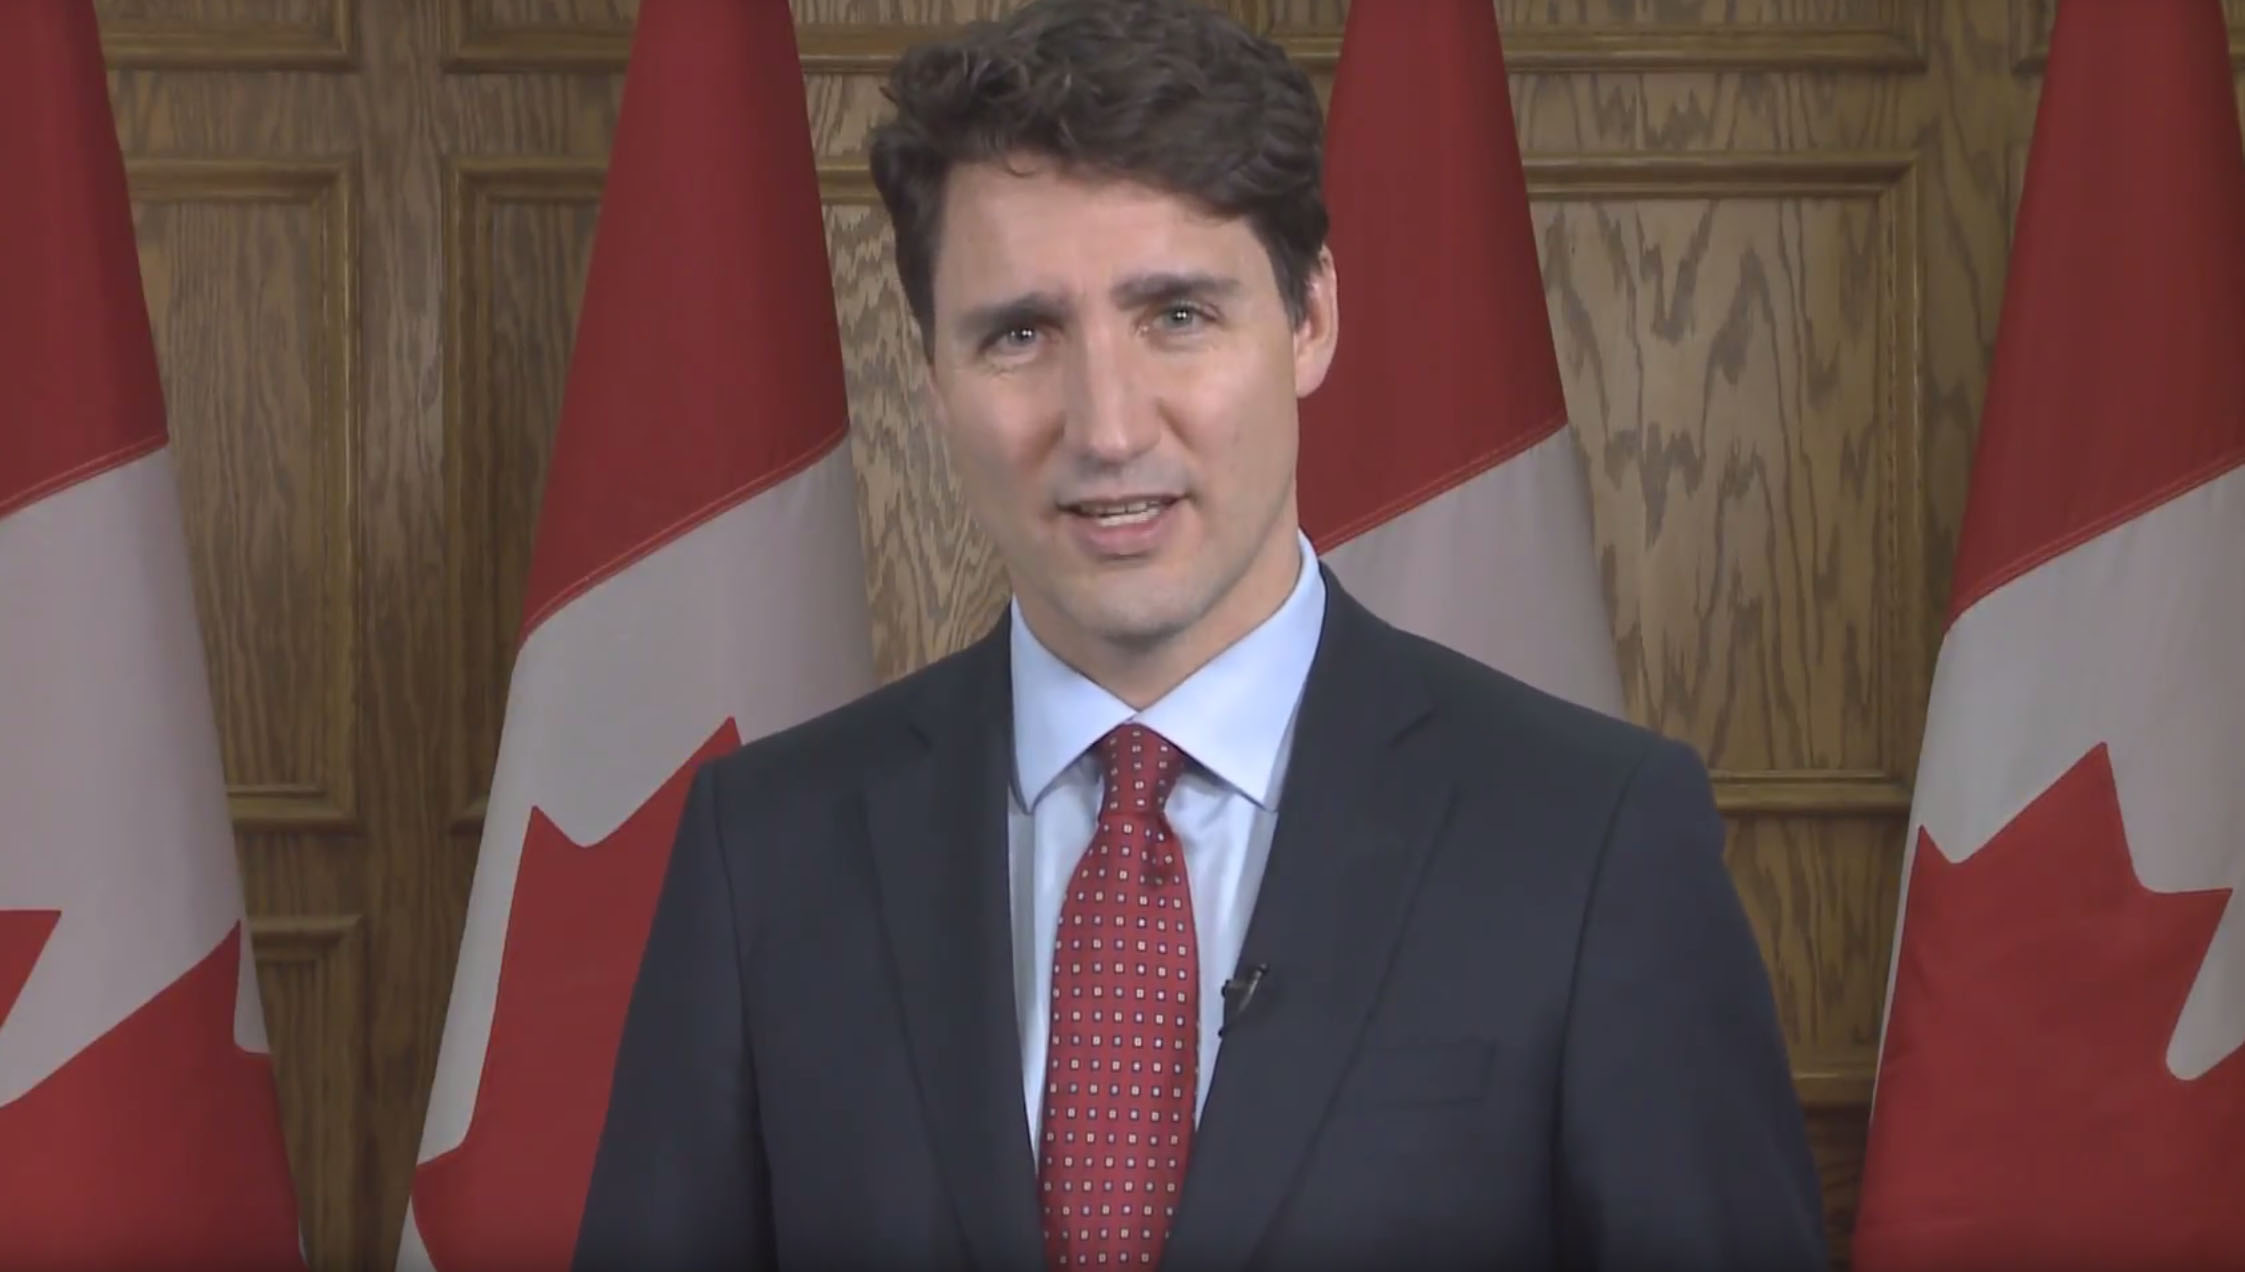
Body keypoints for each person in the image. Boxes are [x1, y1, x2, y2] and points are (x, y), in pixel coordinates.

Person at [574, 0, 1827, 1268]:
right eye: (1020, 334)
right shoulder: (762, 854)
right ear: (934, 374)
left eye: (1176, 315)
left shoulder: (1593, 840)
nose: (1108, 427)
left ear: (1310, 317)